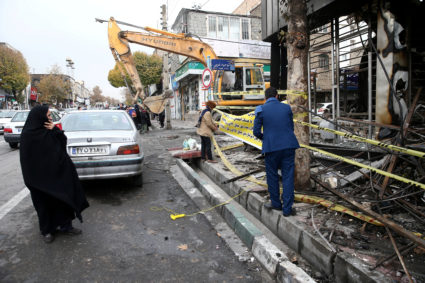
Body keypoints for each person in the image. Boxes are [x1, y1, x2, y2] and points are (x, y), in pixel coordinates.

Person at [19, 105, 89, 243]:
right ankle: (47, 230)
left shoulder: (50, 131)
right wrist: (32, 181)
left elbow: (62, 145)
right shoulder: (28, 135)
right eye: (48, 115)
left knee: (63, 200)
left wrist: (56, 130)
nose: (50, 118)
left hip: (57, 175)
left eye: (50, 115)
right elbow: (26, 161)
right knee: (44, 205)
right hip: (39, 180)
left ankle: (66, 226)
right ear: (40, 117)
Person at [253, 87, 300, 217]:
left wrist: (266, 138)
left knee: (272, 176)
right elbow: (290, 127)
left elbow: (256, 132)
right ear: (277, 96)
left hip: (271, 148)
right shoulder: (286, 108)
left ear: (265, 98)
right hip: (288, 146)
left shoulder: (261, 109)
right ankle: (287, 209)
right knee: (288, 176)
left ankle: (276, 204)